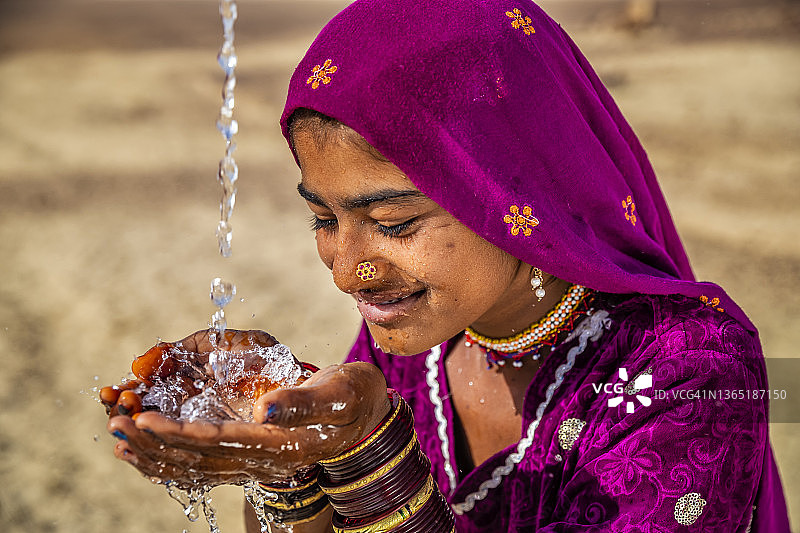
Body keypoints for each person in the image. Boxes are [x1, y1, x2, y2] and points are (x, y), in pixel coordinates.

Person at [103, 0, 791, 531]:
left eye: (394, 223)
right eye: (324, 219)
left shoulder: (693, 370)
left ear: (519, 193)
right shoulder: (419, 341)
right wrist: (288, 456)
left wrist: (369, 453)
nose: (345, 271)